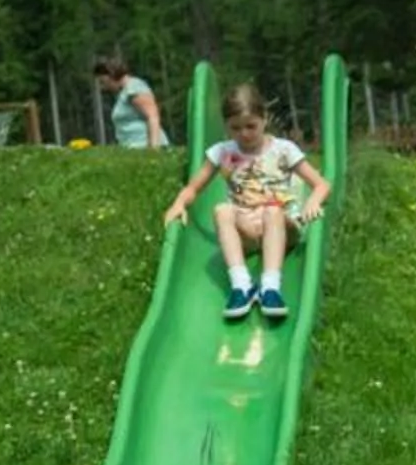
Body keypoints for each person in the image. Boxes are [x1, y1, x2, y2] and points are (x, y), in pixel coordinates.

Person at [166, 84, 330, 324]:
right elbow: (193, 188)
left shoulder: (283, 150)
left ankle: (270, 288)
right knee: (222, 210)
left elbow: (321, 184)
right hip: (247, 231)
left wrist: (313, 200)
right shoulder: (223, 153)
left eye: (251, 126)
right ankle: (241, 286)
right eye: (235, 128)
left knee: (272, 210)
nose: (244, 134)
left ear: (264, 119)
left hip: (281, 227)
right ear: (226, 126)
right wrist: (179, 204)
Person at [94, 52, 168, 151]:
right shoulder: (123, 93)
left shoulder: (134, 88)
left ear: (111, 75)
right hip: (134, 148)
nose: (103, 87)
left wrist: (154, 148)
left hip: (144, 146)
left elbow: (152, 116)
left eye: (103, 82)